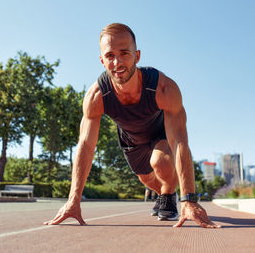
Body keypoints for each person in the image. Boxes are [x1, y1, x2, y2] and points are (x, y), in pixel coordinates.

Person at [44, 23, 221, 228]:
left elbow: (180, 141)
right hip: (131, 139)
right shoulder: (97, 96)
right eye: (110, 56)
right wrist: (73, 199)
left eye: (124, 53)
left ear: (137, 56)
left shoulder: (163, 88)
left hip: (159, 132)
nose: (117, 62)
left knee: (161, 162)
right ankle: (164, 192)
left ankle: (169, 196)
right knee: (147, 180)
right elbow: (86, 145)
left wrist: (189, 199)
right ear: (102, 61)